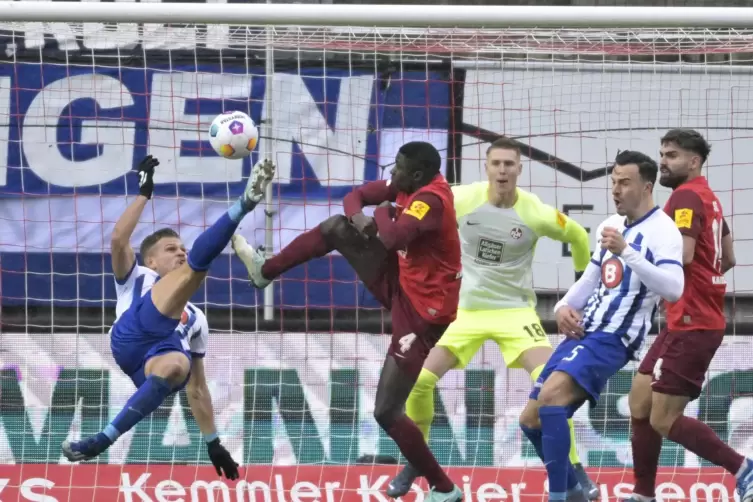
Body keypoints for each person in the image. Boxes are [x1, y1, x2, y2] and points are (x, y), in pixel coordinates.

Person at [232, 141, 463, 502]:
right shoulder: (404, 185)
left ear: (416, 175)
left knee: (387, 411)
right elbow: (354, 197)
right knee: (337, 227)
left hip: (424, 314)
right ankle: (265, 271)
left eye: (397, 167)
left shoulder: (429, 199)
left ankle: (444, 488)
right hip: (402, 281)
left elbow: (390, 236)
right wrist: (362, 218)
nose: (390, 172)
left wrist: (382, 212)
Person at [385, 138, 598, 500]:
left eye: (509, 164)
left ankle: (575, 469)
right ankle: (416, 459)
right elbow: (417, 204)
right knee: (419, 382)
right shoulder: (461, 199)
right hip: (463, 311)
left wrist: (581, 294)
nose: (502, 170)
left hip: (515, 312)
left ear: (519, 169)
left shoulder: (534, 212)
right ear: (486, 168)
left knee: (552, 386)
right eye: (496, 163)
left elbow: (578, 235)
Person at [61, 155, 275, 480]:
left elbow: (198, 389)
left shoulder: (198, 319)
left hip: (156, 361)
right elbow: (119, 239)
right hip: (132, 334)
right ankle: (244, 204)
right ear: (151, 259)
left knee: (181, 367)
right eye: (171, 249)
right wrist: (144, 194)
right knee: (194, 272)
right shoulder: (135, 276)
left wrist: (213, 442)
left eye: (183, 248)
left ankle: (103, 439)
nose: (180, 252)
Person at [517, 150, 686, 502]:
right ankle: (577, 492)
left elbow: (673, 287)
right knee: (530, 420)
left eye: (625, 182)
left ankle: (560, 497)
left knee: (549, 399)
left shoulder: (663, 232)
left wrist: (628, 252)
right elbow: (591, 279)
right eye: (613, 182)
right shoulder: (611, 225)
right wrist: (564, 306)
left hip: (614, 338)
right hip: (584, 330)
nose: (616, 189)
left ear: (646, 186)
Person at [624, 129, 753, 502]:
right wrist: (704, 285)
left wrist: (631, 256)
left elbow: (681, 255)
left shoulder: (684, 196)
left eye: (672, 155)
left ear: (693, 161)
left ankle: (743, 468)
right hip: (685, 319)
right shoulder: (709, 198)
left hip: (691, 324)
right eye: (662, 154)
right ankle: (643, 494)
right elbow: (727, 259)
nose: (663, 161)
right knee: (639, 402)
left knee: (662, 419)